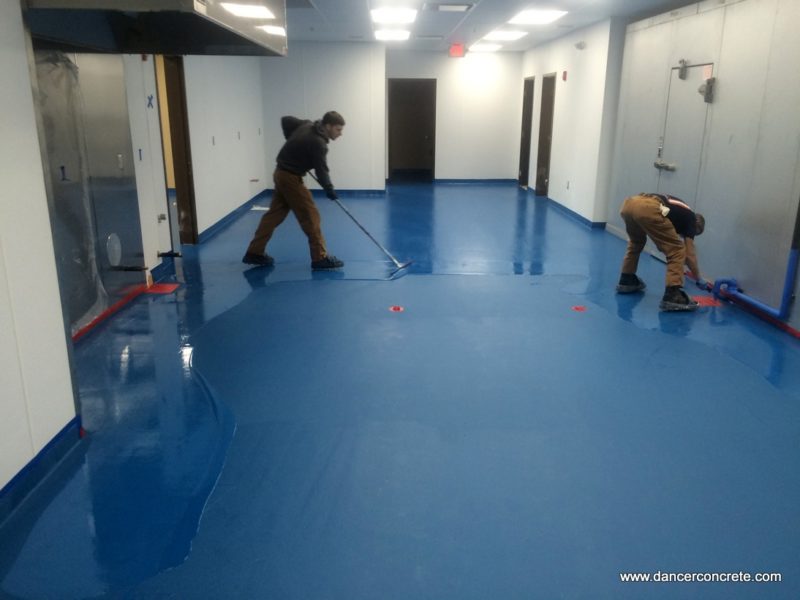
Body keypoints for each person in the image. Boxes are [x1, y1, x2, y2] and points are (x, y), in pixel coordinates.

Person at [243, 111, 346, 270]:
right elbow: (321, 170)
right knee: (311, 216)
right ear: (328, 126)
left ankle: (254, 252)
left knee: (274, 215)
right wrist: (329, 190)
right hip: (290, 178)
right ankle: (320, 258)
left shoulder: (307, 124)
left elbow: (286, 120)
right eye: (338, 129)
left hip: (280, 173)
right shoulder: (318, 143)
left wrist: (291, 142)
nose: (340, 134)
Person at [615, 193, 707, 311]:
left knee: (636, 242)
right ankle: (673, 295)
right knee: (678, 249)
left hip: (629, 204)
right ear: (697, 226)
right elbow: (689, 255)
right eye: (695, 233)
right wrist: (699, 278)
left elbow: (663, 240)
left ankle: (626, 279)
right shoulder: (691, 220)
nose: (689, 235)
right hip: (649, 208)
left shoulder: (679, 212)